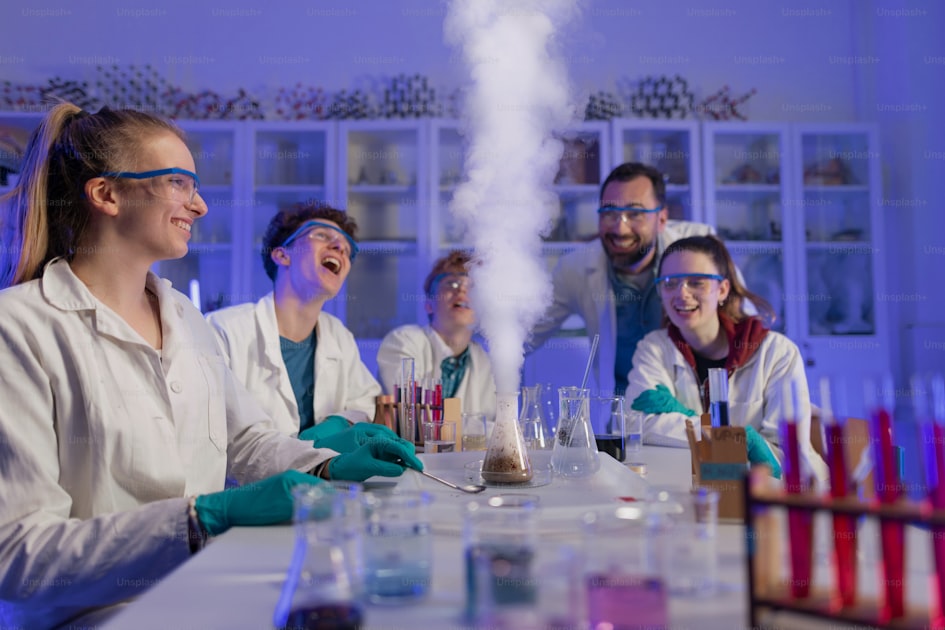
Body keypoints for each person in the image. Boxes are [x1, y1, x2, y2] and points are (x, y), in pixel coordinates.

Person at [0, 103, 420, 629]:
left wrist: (327, 465)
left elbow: (247, 442)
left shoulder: (185, 319)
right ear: (106, 194)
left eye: (194, 186)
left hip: (206, 590)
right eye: (178, 182)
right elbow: (15, 554)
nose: (198, 205)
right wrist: (200, 519)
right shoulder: (19, 327)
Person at [625, 234, 827, 481]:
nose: (682, 293)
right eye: (669, 283)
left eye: (696, 282)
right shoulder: (654, 348)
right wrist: (733, 437)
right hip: (697, 487)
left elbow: (786, 453)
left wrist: (689, 424)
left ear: (722, 290)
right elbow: (639, 423)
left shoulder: (777, 352)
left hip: (783, 491)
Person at [527, 162, 719, 397]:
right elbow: (524, 336)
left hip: (693, 406)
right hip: (621, 410)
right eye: (609, 213)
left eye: (635, 214)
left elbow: (741, 325)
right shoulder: (574, 268)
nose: (620, 229)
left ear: (661, 219)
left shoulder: (699, 250)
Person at [206, 203, 381, 442]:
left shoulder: (339, 337)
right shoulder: (224, 330)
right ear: (282, 255)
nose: (340, 247)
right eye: (321, 235)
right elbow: (215, 432)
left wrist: (339, 423)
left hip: (324, 468)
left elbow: (364, 402)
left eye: (347, 248)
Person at [376, 250, 497, 420]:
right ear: (429, 304)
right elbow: (413, 415)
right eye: (451, 283)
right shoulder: (403, 342)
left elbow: (494, 425)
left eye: (472, 287)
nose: (462, 290)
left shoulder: (485, 362)